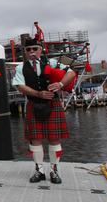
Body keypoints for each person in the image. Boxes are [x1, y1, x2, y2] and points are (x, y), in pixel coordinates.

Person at [12, 37, 75, 184]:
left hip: (52, 104)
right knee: (36, 139)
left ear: (40, 50)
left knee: (54, 138)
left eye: (35, 49)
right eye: (29, 50)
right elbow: (20, 86)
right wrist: (38, 94)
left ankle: (54, 171)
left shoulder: (52, 62)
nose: (32, 52)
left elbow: (71, 73)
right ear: (25, 52)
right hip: (34, 104)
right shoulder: (21, 68)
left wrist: (60, 83)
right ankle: (39, 171)